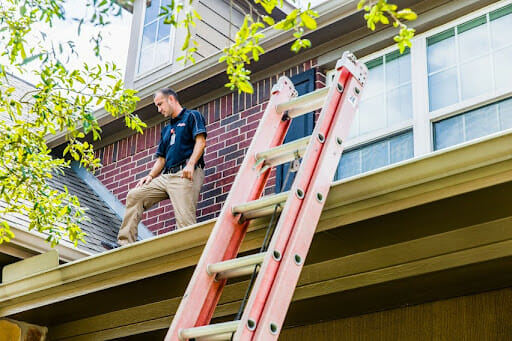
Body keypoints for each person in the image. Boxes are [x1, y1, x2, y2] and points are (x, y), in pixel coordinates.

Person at [102, 88, 207, 249]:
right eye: (157, 106)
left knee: (185, 220)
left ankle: (189, 251)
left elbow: (200, 142)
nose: (159, 109)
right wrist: (150, 176)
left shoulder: (192, 116)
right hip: (166, 176)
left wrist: (191, 164)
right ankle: (125, 244)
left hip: (184, 174)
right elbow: (161, 159)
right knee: (135, 195)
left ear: (171, 99)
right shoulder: (166, 129)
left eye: (160, 104)